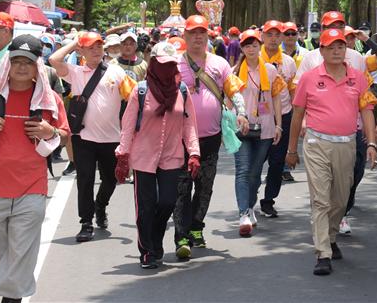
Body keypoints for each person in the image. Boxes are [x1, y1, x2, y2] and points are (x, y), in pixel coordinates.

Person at [0, 35, 69, 303]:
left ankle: (11, 296)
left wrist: (49, 130)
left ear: (36, 66)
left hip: (31, 188)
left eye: (27, 63)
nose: (21, 67)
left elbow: (65, 135)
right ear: (8, 62)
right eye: (16, 61)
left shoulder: (49, 99)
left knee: (22, 251)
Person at [285, 28, 377, 276]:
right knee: (321, 199)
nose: (337, 51)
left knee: (340, 199)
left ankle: (331, 235)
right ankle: (323, 252)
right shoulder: (310, 78)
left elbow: (367, 110)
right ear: (322, 50)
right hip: (316, 143)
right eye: (331, 47)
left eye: (341, 46)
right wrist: (292, 150)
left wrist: (371, 143)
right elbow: (297, 115)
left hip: (347, 143)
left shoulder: (358, 78)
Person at [295, 11, 377, 236]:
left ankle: (341, 211)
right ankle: (324, 235)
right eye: (331, 25)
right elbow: (299, 94)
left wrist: (372, 140)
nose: (336, 28)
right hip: (319, 134)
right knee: (322, 190)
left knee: (350, 179)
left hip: (351, 132)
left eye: (340, 24)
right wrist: (305, 120)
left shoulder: (356, 57)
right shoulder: (311, 58)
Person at [115, 41, 200, 269]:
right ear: (153, 63)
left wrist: (194, 153)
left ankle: (155, 238)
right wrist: (123, 155)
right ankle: (148, 251)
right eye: (162, 64)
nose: (166, 69)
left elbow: (189, 125)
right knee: (146, 206)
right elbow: (128, 125)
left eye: (171, 65)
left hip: (172, 156)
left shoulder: (182, 91)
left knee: (167, 202)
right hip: (143, 157)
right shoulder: (140, 90)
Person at [49, 31, 135, 243]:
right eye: (91, 47)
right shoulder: (76, 72)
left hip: (111, 138)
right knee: (85, 180)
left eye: (99, 46)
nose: (96, 50)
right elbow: (53, 59)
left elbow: (133, 96)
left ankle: (101, 205)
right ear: (82, 51)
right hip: (83, 137)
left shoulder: (116, 72)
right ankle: (86, 223)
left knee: (111, 180)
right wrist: (74, 44)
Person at [174, 15, 246, 259]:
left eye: (201, 33)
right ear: (185, 36)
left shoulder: (219, 64)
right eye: (193, 33)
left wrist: (242, 112)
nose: (197, 37)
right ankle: (181, 236)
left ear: (208, 36)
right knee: (181, 189)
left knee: (204, 188)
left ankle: (196, 227)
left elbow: (233, 89)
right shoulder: (174, 64)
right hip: (181, 140)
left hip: (211, 138)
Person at [233, 29, 284, 235]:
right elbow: (228, 98)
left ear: (259, 46)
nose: (251, 49)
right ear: (242, 49)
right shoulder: (234, 71)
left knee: (255, 172)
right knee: (243, 170)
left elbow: (278, 98)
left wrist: (279, 124)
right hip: (242, 127)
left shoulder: (271, 71)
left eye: (255, 45)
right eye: (247, 45)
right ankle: (243, 213)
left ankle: (250, 204)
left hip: (265, 128)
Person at [259, 20, 297, 217]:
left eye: (277, 35)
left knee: (276, 161)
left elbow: (293, 92)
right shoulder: (254, 58)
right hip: (261, 116)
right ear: (262, 37)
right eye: (269, 35)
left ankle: (268, 200)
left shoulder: (289, 63)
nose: (273, 39)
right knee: (257, 160)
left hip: (284, 115)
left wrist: (299, 118)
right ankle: (249, 193)